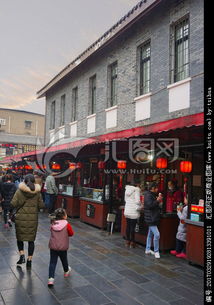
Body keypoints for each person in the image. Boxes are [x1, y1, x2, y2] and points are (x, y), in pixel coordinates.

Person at [10, 174, 44, 269]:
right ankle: (29, 260)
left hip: (20, 219)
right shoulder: (37, 193)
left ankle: (22, 256)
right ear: (34, 181)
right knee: (31, 241)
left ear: (24, 181)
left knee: (20, 238)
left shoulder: (19, 191)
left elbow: (13, 204)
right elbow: (41, 206)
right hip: (33, 219)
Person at [48, 208, 74, 287]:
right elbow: (71, 233)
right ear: (64, 216)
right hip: (63, 246)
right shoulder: (67, 224)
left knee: (52, 262)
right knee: (64, 259)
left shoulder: (53, 223)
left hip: (53, 246)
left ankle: (51, 279)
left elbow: (51, 231)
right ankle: (66, 271)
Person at [144, 182, 162, 258]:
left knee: (150, 234)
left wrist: (158, 201)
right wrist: (157, 200)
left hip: (152, 217)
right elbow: (150, 205)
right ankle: (156, 251)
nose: (157, 189)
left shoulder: (151, 194)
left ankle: (147, 249)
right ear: (152, 188)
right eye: (156, 188)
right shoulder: (148, 195)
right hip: (150, 218)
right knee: (157, 234)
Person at [124, 182, 142, 248]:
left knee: (128, 226)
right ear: (136, 184)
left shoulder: (127, 189)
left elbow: (125, 200)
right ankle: (132, 242)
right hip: (133, 211)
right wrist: (141, 205)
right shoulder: (136, 190)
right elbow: (137, 201)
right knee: (132, 227)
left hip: (127, 210)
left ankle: (127, 241)